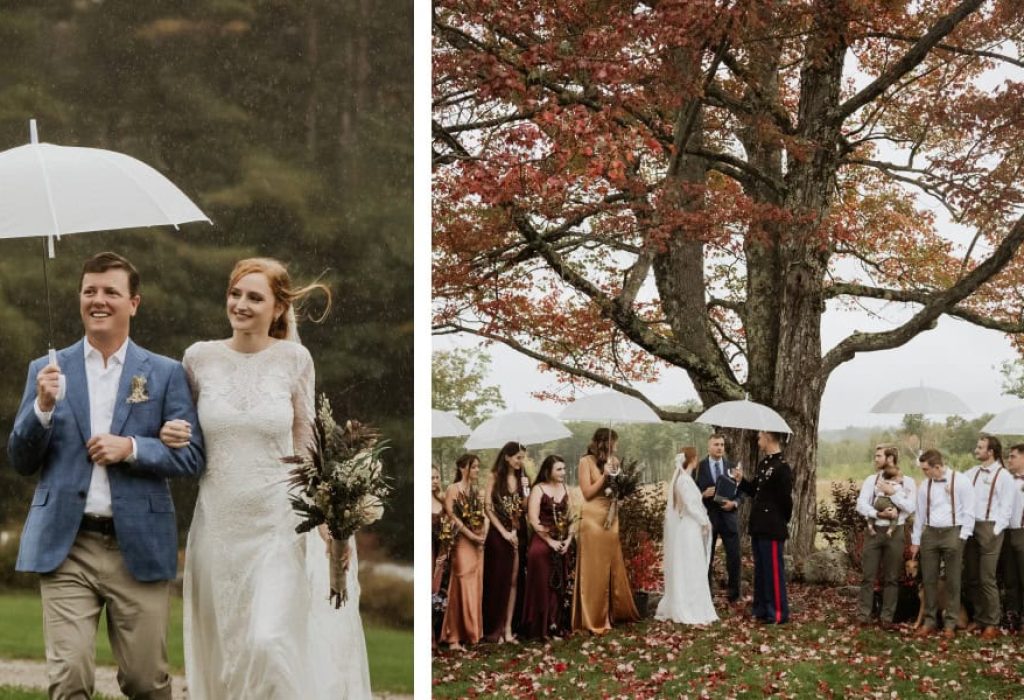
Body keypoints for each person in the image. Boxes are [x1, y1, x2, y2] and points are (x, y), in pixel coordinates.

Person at [158, 257, 371, 698]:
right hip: (218, 525)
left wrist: (331, 523)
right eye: (235, 294)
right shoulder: (198, 359)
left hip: (279, 524)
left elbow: (307, 447)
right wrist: (169, 432)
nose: (241, 304)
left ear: (278, 309)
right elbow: (185, 433)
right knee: (227, 651)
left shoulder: (295, 359)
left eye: (255, 297)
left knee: (270, 642)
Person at [6, 251, 205, 699]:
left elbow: (191, 457)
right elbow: (20, 459)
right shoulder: (46, 370)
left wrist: (132, 448)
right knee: (69, 678)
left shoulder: (166, 373)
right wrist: (42, 406)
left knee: (145, 682)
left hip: (139, 543)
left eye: (110, 292)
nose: (98, 300)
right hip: (66, 545)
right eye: (89, 291)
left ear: (134, 303)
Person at [572, 428, 639, 634]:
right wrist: (605, 476)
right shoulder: (586, 462)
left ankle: (611, 613)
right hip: (593, 518)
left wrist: (620, 487)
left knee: (611, 564)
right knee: (595, 568)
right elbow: (587, 493)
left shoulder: (614, 461)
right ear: (605, 443)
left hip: (611, 516)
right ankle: (593, 617)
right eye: (614, 442)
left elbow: (617, 487)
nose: (616, 446)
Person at [910, 449, 975, 639]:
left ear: (937, 467)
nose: (924, 473)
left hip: (953, 532)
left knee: (953, 580)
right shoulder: (925, 486)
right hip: (930, 533)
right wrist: (915, 541)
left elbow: (970, 511)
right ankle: (929, 621)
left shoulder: (961, 481)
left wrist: (962, 536)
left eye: (926, 469)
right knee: (929, 579)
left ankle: (950, 624)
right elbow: (920, 514)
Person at [855, 445, 916, 628]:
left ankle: (887, 618)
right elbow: (861, 505)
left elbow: (910, 508)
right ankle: (863, 615)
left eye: (879, 456)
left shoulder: (908, 482)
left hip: (895, 532)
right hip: (874, 532)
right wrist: (878, 514)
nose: (875, 459)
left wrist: (893, 494)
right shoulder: (871, 480)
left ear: (890, 459)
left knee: (892, 577)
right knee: (868, 575)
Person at [736, 431, 793, 625]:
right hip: (759, 524)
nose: (758, 441)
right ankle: (761, 608)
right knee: (761, 569)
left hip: (773, 526)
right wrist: (741, 480)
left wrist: (780, 521)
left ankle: (778, 612)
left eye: (760, 437)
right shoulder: (764, 464)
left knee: (774, 571)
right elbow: (754, 491)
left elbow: (786, 502)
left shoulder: (782, 467)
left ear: (768, 437)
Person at [963, 434, 1016, 640]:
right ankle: (980, 617)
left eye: (980, 447)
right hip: (971, 526)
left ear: (990, 452)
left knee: (987, 578)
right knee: (972, 577)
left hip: (991, 528)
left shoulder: (1004, 476)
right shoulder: (972, 472)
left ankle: (992, 623)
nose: (976, 450)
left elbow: (1007, 507)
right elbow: (956, 482)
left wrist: (996, 530)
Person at [657, 447, 718, 625]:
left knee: (692, 564)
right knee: (690, 565)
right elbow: (690, 506)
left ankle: (693, 602)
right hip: (689, 527)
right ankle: (688, 605)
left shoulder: (684, 479)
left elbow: (691, 501)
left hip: (690, 527)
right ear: (693, 459)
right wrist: (704, 520)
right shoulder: (684, 480)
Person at [521, 455, 574, 639]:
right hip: (542, 540)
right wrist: (549, 541)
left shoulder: (566, 488)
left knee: (558, 585)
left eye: (564, 469)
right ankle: (539, 628)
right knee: (543, 583)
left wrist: (568, 541)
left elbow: (572, 518)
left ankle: (556, 625)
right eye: (559, 469)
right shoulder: (538, 489)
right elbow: (533, 520)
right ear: (548, 470)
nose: (563, 473)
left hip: (561, 540)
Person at [482, 441, 529, 643]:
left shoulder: (523, 479)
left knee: (513, 580)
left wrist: (526, 491)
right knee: (498, 580)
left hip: (518, 530)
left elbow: (525, 508)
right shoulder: (494, 477)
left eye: (523, 457)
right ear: (507, 457)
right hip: (499, 534)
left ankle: (509, 628)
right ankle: (496, 628)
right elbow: (487, 507)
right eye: (518, 457)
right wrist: (503, 532)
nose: (521, 461)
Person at [440, 454, 487, 650]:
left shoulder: (475, 491)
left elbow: (482, 515)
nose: (476, 470)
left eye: (477, 467)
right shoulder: (453, 489)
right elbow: (453, 517)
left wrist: (482, 534)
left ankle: (472, 633)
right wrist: (471, 536)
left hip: (476, 542)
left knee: (475, 584)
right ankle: (454, 637)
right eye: (473, 467)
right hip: (462, 541)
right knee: (460, 583)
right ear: (462, 468)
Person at [694, 434, 742, 603]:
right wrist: (702, 494)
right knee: (707, 556)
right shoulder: (699, 468)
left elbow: (740, 491)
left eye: (722, 444)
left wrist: (734, 503)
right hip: (708, 519)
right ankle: (706, 594)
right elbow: (690, 494)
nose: (720, 447)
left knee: (734, 556)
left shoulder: (732, 467)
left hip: (729, 518)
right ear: (708, 447)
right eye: (716, 444)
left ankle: (734, 594)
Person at [1003, 443, 1024, 635]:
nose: (1009, 460)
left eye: (1013, 456)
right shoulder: (1006, 480)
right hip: (1007, 532)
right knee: (1010, 578)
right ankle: (1012, 616)